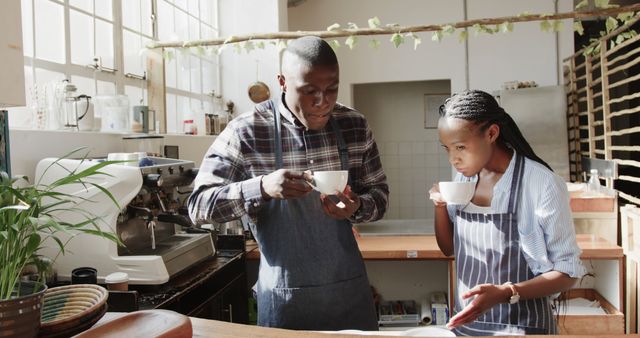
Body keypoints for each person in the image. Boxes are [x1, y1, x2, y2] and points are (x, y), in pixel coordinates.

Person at [188, 36, 388, 331]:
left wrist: (357, 207)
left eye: (332, 89)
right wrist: (261, 188)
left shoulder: (353, 125)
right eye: (309, 91)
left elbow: (380, 198)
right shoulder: (246, 132)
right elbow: (198, 207)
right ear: (282, 82)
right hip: (284, 302)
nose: (323, 102)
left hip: (348, 295)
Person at [428, 90, 586, 335]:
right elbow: (449, 249)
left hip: (524, 326)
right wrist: (440, 207)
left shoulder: (541, 183)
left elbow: (568, 273)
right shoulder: (464, 179)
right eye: (446, 149)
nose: (453, 159)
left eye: (460, 147)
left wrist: (506, 293)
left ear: (491, 133)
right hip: (469, 327)